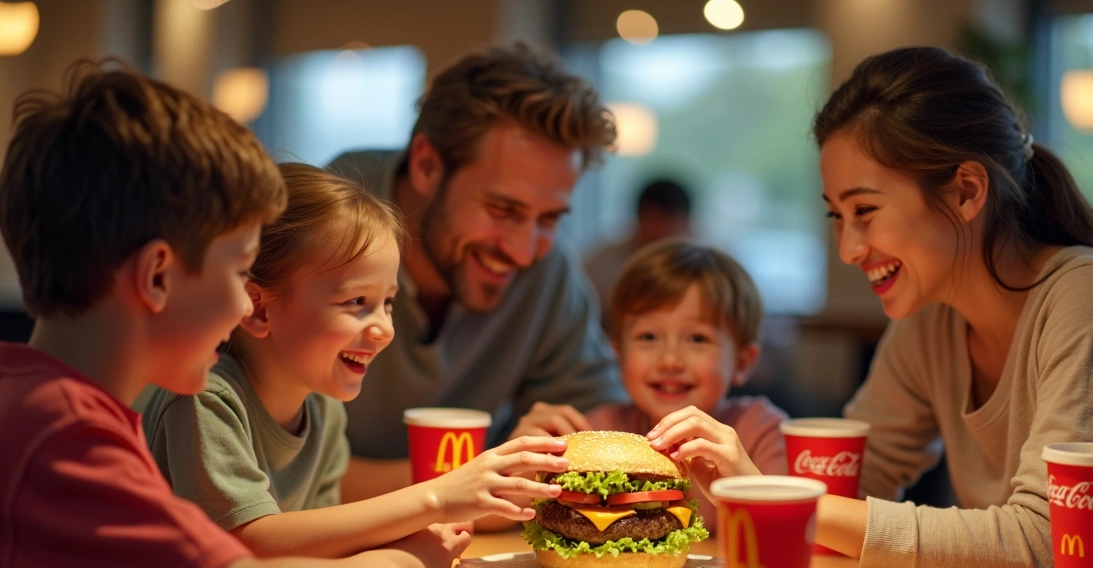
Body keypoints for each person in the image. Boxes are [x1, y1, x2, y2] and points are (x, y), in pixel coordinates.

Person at [0, 61, 475, 568]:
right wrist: (404, 564)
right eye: (240, 270)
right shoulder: (61, 432)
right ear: (157, 277)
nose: (244, 307)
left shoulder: (48, 406)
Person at [807, 47, 1093, 568]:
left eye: (866, 210)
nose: (849, 249)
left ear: (966, 191)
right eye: (836, 215)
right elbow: (855, 485)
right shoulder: (930, 317)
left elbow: (1047, 543)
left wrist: (789, 503)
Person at [141, 163, 570, 559]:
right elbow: (249, 544)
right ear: (259, 309)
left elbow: (320, 542)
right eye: (357, 302)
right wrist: (434, 499)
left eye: (387, 303)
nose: (385, 329)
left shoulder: (322, 408)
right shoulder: (203, 400)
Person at [327, 42, 628, 502]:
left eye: (550, 219)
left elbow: (598, 418)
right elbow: (276, 477)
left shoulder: (549, 267)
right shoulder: (312, 236)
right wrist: (485, 478)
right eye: (503, 209)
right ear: (427, 164)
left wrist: (538, 455)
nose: (525, 252)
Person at [523, 238, 788, 531]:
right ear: (619, 353)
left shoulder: (762, 432)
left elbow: (796, 530)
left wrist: (750, 485)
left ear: (742, 362)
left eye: (697, 339)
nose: (670, 360)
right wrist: (520, 465)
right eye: (648, 337)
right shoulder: (599, 429)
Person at [584, 178, 694, 312]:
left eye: (669, 222)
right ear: (638, 218)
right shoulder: (602, 264)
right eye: (654, 220)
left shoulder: (703, 268)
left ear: (687, 223)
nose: (661, 232)